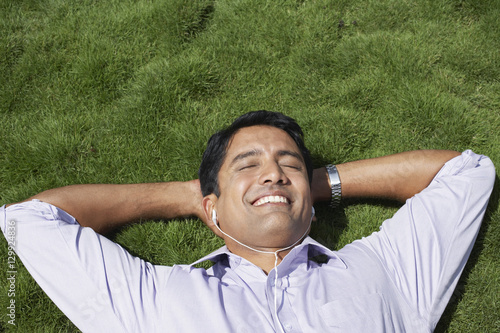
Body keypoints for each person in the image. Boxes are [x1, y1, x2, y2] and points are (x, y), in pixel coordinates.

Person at [1, 111, 495, 332]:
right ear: (212, 206)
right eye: (248, 165)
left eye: (289, 163)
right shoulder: (155, 301)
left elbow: (467, 171)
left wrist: (308, 186)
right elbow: (30, 220)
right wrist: (189, 198)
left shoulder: (382, 272)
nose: (273, 173)